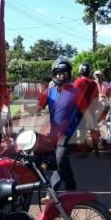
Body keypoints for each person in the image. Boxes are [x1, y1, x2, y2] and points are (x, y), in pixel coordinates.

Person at [35, 58, 80, 190]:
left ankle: (51, 191)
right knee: (59, 161)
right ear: (54, 74)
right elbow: (38, 108)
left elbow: (84, 112)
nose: (61, 75)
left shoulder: (76, 92)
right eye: (58, 73)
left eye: (64, 73)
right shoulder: (48, 92)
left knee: (59, 159)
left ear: (68, 74)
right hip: (54, 133)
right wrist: (27, 108)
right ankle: (71, 185)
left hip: (68, 133)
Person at [73, 62, 101, 154]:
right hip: (91, 110)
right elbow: (96, 98)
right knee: (93, 129)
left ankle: (83, 151)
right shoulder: (93, 83)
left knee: (82, 130)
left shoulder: (77, 82)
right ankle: (96, 149)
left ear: (80, 70)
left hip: (80, 110)